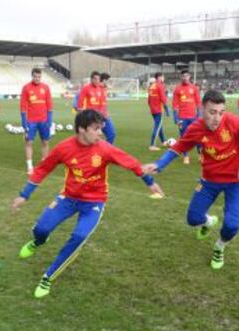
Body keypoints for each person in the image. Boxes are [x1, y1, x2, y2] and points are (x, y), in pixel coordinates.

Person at [12, 110, 163, 298]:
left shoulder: (105, 148)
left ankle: (48, 277)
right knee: (41, 229)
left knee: (79, 236)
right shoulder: (63, 148)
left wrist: (150, 183)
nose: (100, 133)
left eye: (101, 128)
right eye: (96, 129)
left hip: (93, 202)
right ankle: (38, 241)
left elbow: (131, 163)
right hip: (68, 198)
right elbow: (43, 169)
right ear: (81, 129)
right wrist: (25, 195)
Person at [142, 90, 239, 270]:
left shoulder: (234, 122)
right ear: (202, 109)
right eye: (212, 112)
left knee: (231, 225)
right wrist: (159, 164)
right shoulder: (196, 128)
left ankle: (219, 247)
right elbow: (180, 146)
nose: (217, 118)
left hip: (237, 181)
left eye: (221, 112)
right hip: (209, 181)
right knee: (193, 219)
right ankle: (208, 222)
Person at [20, 68, 53, 175]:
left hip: (44, 120)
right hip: (31, 121)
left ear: (41, 77)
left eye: (38, 77)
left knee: (45, 142)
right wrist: (24, 122)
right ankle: (30, 167)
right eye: (35, 76)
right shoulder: (26, 88)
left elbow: (49, 104)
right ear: (32, 76)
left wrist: (50, 119)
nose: (37, 78)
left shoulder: (45, 87)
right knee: (29, 142)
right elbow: (23, 106)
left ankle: (44, 165)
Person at [172, 70, 202, 164]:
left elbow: (198, 103)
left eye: (187, 76)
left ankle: (200, 155)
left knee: (197, 136)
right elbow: (175, 105)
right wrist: (175, 118)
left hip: (193, 117)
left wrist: (199, 115)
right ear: (181, 77)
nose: (185, 77)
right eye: (183, 76)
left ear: (189, 77)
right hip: (182, 117)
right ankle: (186, 156)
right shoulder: (178, 89)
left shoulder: (194, 88)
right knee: (184, 137)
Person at [147, 72, 169, 151]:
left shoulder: (152, 85)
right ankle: (152, 145)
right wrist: (167, 110)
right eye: (163, 77)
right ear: (159, 77)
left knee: (159, 125)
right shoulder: (160, 85)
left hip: (153, 109)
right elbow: (163, 98)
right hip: (158, 109)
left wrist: (151, 107)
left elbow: (149, 99)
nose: (163, 78)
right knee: (157, 127)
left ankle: (163, 141)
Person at [99, 72, 116, 144]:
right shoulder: (97, 89)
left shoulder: (104, 89)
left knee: (111, 134)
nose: (110, 83)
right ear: (104, 80)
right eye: (109, 81)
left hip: (105, 116)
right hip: (97, 116)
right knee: (94, 137)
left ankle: (106, 151)